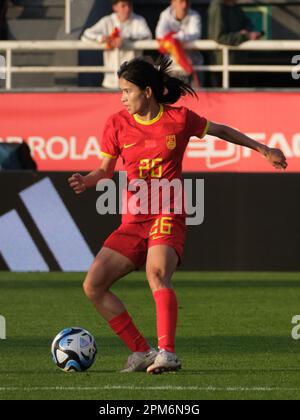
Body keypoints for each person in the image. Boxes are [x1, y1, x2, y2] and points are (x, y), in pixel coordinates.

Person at [68, 56, 287, 374]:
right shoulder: (116, 123)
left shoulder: (179, 119)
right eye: (121, 91)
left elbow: (222, 131)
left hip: (167, 214)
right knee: (93, 285)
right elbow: (103, 171)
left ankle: (167, 353)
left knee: (156, 274)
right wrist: (85, 182)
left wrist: (264, 149)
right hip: (133, 220)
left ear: (146, 91)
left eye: (127, 90)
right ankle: (142, 351)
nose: (122, 98)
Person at [81, 0, 152, 89]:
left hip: (133, 81)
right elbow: (87, 34)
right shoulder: (107, 21)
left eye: (129, 5)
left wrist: (125, 38)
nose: (127, 9)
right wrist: (102, 38)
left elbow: (147, 36)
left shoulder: (139, 20)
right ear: (115, 7)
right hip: (111, 81)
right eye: (123, 6)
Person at [208, 0, 264, 86]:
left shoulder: (234, 6)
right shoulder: (218, 7)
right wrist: (245, 36)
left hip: (238, 63)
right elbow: (220, 37)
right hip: (224, 66)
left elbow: (248, 23)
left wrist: (246, 33)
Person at [155, 0, 203, 84]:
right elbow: (160, 35)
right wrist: (175, 40)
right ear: (173, 3)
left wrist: (176, 37)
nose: (184, 6)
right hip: (172, 69)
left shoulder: (194, 15)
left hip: (194, 67)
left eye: (187, 2)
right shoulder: (165, 15)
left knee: (197, 96)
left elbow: (195, 34)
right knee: (171, 96)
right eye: (181, 2)